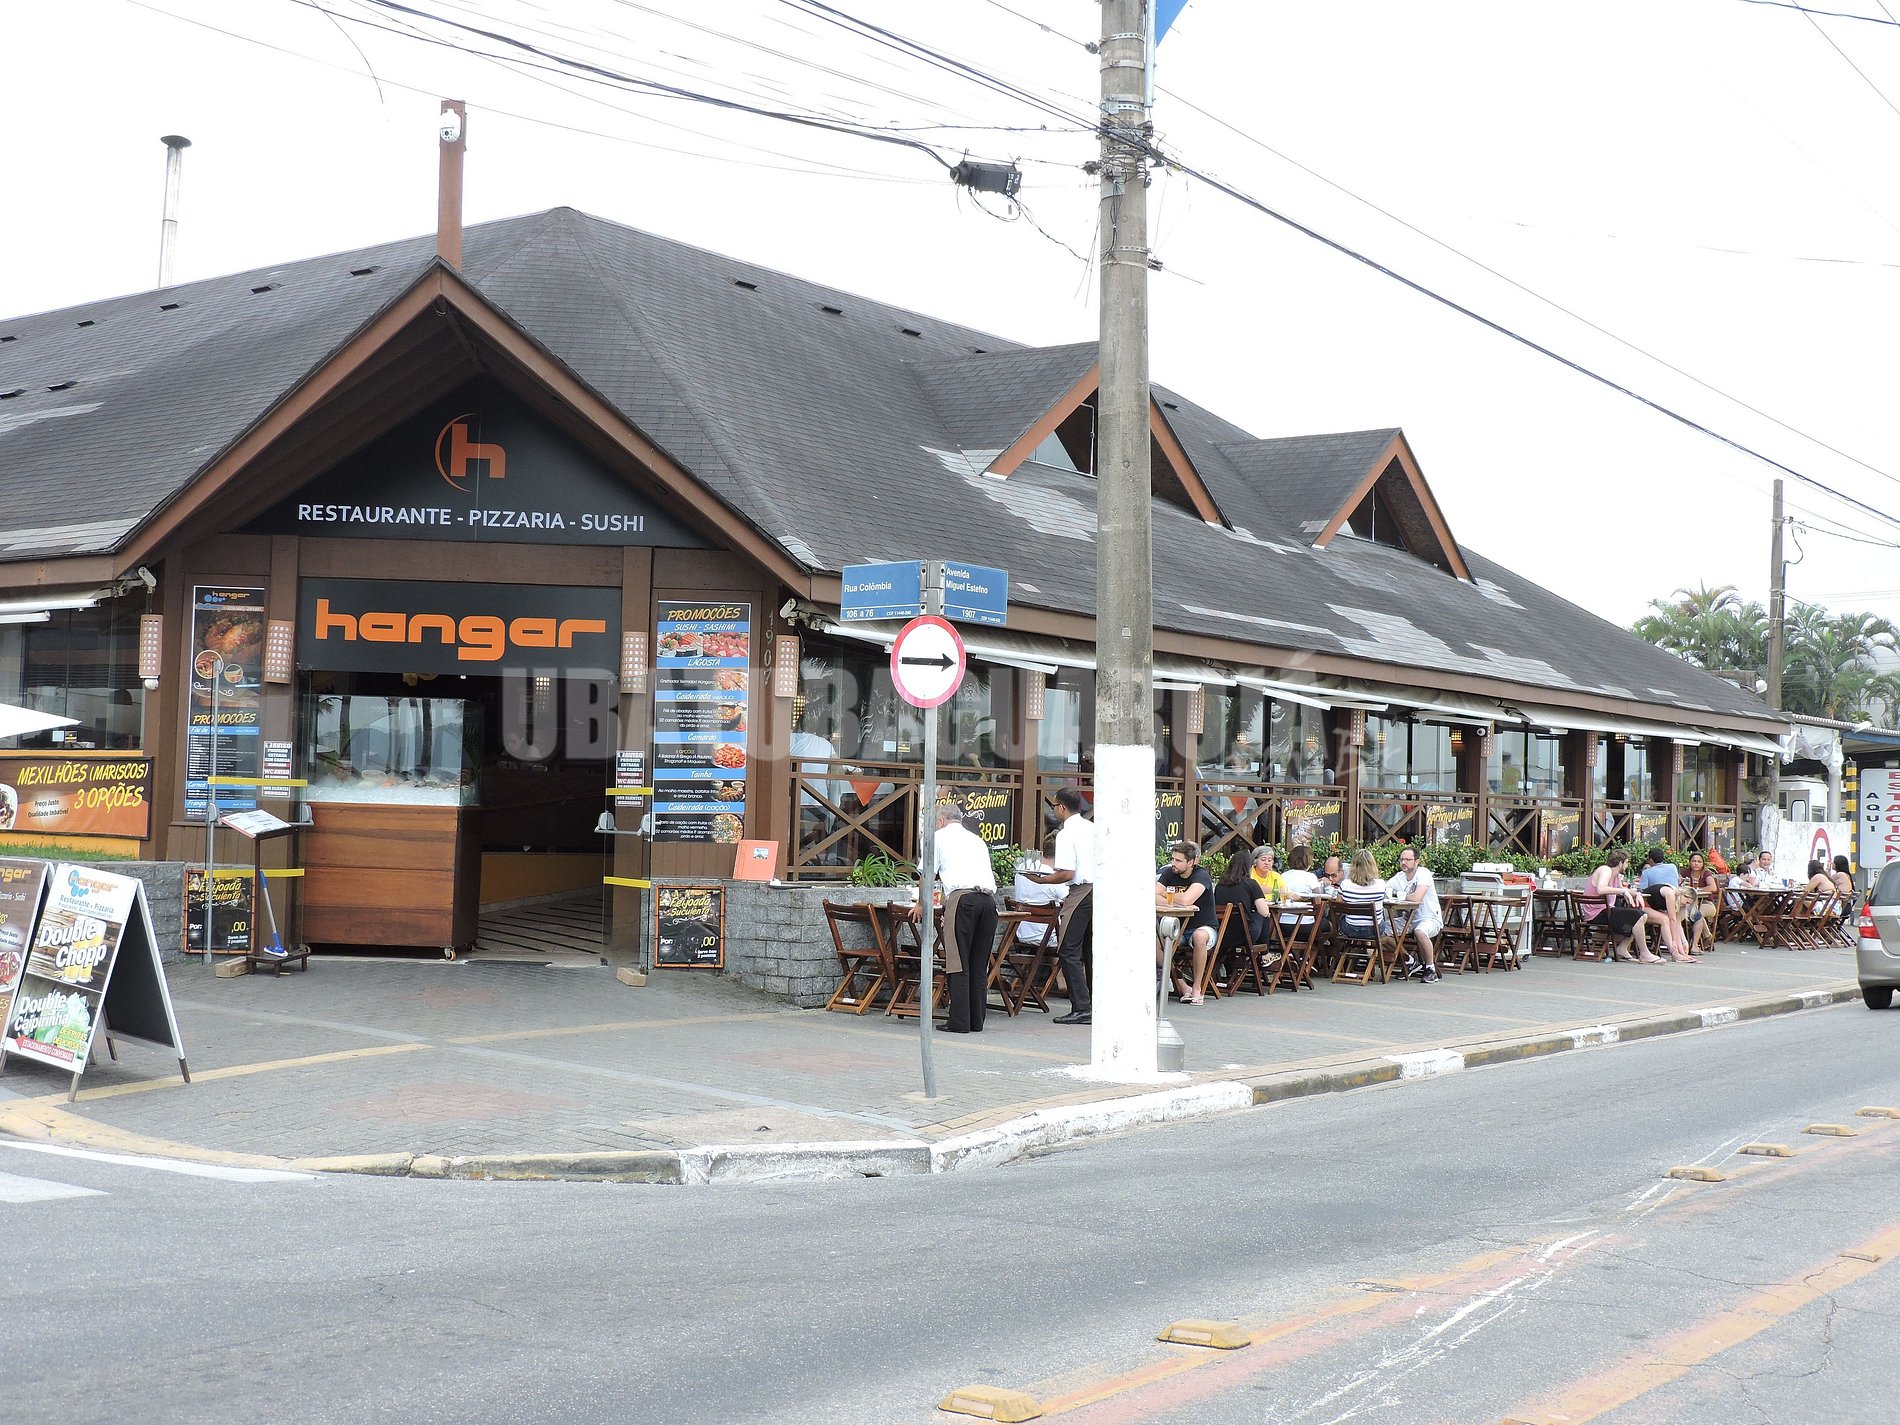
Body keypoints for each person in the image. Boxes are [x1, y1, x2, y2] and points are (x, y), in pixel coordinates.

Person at [921, 799, 998, 1034]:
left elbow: (927, 874)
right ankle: (976, 1020)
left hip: (962, 899)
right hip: (988, 902)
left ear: (941, 821)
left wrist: (921, 904)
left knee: (958, 962)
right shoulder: (976, 840)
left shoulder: (938, 838)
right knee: (978, 963)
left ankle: (959, 1021)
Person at [1026, 787, 1094, 1025]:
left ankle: (1082, 1007)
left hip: (1081, 891)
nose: (1054, 810)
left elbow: (1067, 873)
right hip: (1098, 890)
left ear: (1062, 807)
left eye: (1054, 806)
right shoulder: (1091, 828)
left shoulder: (1066, 834)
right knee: (1090, 950)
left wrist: (1042, 880)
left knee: (1068, 949)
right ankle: (1094, 1003)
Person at [1157, 842, 1218, 1004]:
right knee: (1154, 942)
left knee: (1199, 937)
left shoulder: (1201, 875)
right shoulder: (1169, 873)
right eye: (1172, 859)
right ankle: (1181, 983)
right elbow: (1151, 895)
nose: (1173, 863)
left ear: (1191, 862)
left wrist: (1166, 894)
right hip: (1177, 927)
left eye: (1178, 860)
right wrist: (1173, 899)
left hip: (1203, 926)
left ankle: (1197, 988)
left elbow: (1187, 899)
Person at [1584, 849, 1660, 963]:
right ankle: (1644, 953)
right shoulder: (1605, 870)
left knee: (1642, 916)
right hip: (1597, 913)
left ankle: (1622, 948)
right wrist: (1623, 892)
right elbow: (1601, 889)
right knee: (1638, 916)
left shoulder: (1616, 876)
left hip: (1606, 910)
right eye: (1627, 862)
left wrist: (1637, 894)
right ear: (1620, 863)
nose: (1627, 865)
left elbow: (1623, 888)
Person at [1385, 845, 1443, 982]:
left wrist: (1400, 895)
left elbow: (1417, 897)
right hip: (1408, 919)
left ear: (1416, 861)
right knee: (1380, 929)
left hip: (1429, 918)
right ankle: (1409, 960)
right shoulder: (1399, 877)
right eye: (1401, 860)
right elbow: (1385, 889)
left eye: (1408, 860)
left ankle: (1430, 969)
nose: (1403, 862)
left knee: (1420, 931)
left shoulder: (1423, 874)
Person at [1635, 847, 1693, 962]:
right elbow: (1672, 919)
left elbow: (1640, 889)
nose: (1686, 905)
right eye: (1686, 902)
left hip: (1655, 904)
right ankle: (1674, 953)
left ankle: (1681, 952)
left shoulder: (1647, 872)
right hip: (1645, 905)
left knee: (1671, 920)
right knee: (1665, 919)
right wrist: (1675, 944)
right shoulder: (1672, 868)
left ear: (1651, 860)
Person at [1682, 850, 1719, 953]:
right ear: (1690, 862)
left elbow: (1713, 887)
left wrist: (1699, 889)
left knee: (1697, 913)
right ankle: (1707, 936)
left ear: (1703, 864)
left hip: (1706, 903)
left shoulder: (1706, 873)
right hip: (1691, 904)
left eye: (1699, 861)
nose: (1696, 864)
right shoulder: (1685, 873)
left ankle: (1703, 938)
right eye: (1694, 861)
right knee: (1693, 912)